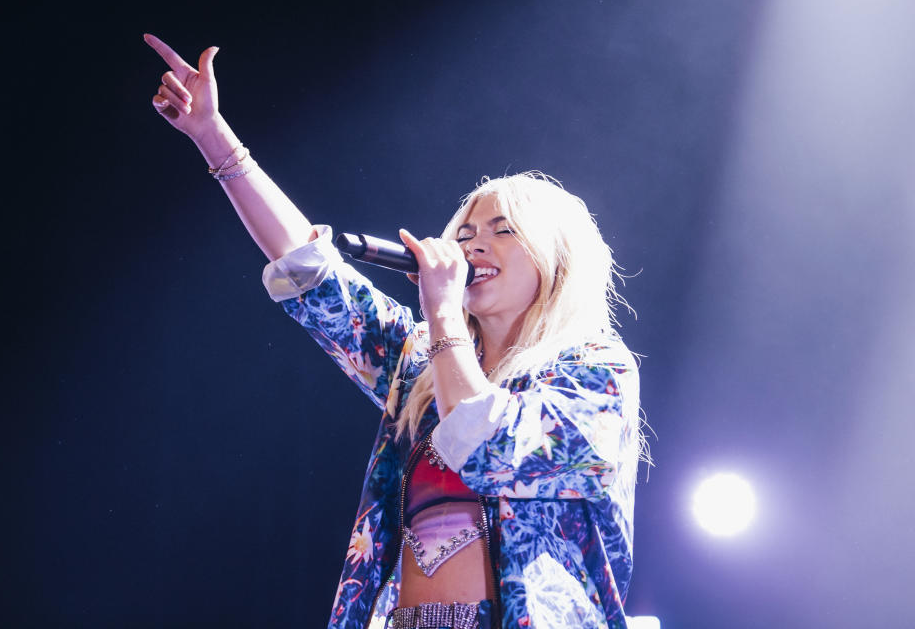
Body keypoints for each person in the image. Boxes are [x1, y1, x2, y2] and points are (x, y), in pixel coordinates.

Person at [145, 33, 644, 629]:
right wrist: (212, 136)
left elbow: (491, 446)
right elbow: (315, 277)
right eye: (464, 232)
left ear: (555, 259)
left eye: (503, 230)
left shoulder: (595, 371)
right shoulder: (421, 369)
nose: (472, 243)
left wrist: (441, 319)